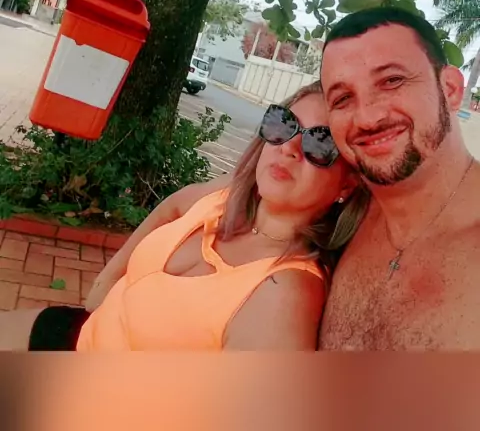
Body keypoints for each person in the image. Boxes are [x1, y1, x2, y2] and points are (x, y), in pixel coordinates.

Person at [0, 82, 369, 351]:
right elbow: (172, 206)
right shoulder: (231, 194)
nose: (289, 147)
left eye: (320, 143)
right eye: (284, 125)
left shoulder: (283, 296)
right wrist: (109, 276)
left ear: (348, 184)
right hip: (82, 332)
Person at [318, 6, 480, 351]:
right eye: (343, 98)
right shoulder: (340, 216)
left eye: (392, 81)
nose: (368, 118)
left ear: (450, 89)